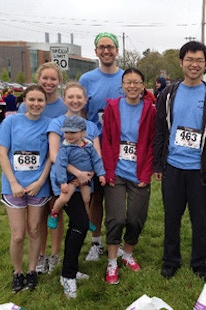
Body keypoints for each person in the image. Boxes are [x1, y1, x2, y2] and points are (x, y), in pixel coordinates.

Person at [153, 40, 206, 281]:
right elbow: (160, 130)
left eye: (199, 60)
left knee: (200, 219)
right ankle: (170, 260)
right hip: (173, 166)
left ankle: (199, 263)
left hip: (199, 170)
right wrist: (158, 163)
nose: (194, 65)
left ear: (205, 64)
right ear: (181, 62)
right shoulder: (168, 93)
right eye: (190, 60)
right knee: (171, 217)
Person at [0, 85, 52, 293]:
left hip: (38, 187)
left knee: (35, 230)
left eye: (40, 100)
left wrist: (40, 181)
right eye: (32, 100)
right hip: (13, 186)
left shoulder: (50, 125)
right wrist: (13, 182)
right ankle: (17, 271)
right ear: (24, 100)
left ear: (45, 102)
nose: (36, 104)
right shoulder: (11, 122)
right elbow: (2, 154)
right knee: (18, 234)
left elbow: (50, 158)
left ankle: (32, 270)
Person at [47, 83, 102, 298]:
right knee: (79, 224)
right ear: (64, 98)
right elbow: (54, 155)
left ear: (85, 100)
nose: (75, 100)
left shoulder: (91, 126)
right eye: (71, 96)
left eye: (79, 96)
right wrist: (77, 174)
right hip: (66, 183)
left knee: (78, 226)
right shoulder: (56, 123)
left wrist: (87, 175)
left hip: (85, 182)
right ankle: (67, 275)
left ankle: (71, 267)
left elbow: (95, 153)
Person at [102, 68, 156, 285]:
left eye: (137, 82)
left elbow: (153, 143)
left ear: (143, 86)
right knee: (116, 218)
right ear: (122, 85)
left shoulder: (151, 110)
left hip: (139, 172)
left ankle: (128, 254)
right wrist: (108, 171)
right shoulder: (112, 107)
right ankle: (112, 261)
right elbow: (106, 141)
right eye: (128, 82)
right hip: (116, 171)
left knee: (135, 218)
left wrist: (146, 172)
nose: (132, 86)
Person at [19, 62, 68, 275]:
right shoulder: (26, 105)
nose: (49, 82)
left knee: (55, 212)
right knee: (36, 217)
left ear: (59, 82)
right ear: (38, 79)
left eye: (53, 79)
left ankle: (55, 255)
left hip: (56, 168)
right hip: (34, 170)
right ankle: (39, 255)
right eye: (45, 78)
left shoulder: (64, 107)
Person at [79, 31, 124, 262]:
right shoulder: (86, 80)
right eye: (101, 47)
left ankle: (118, 242)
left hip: (122, 150)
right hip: (94, 149)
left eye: (110, 46)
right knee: (95, 198)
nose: (106, 51)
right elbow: (82, 113)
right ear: (96, 51)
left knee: (119, 198)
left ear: (117, 50)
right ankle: (96, 243)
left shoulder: (127, 78)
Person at [48, 116, 106, 231]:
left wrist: (101, 174)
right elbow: (60, 165)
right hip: (69, 178)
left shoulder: (88, 146)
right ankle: (54, 213)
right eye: (66, 132)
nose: (69, 135)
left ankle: (88, 220)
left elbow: (97, 160)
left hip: (85, 178)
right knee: (64, 198)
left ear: (83, 133)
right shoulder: (65, 148)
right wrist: (63, 182)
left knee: (86, 199)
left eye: (73, 132)